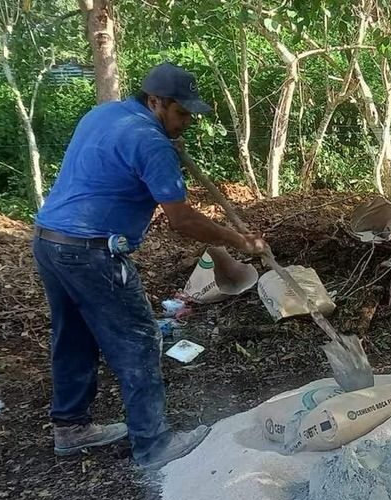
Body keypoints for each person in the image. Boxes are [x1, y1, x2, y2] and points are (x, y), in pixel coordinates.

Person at [33, 62, 265, 469]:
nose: (188, 121)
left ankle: (71, 427)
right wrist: (238, 240)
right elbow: (182, 220)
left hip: (51, 240)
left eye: (190, 114)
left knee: (74, 335)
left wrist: (167, 138)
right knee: (139, 339)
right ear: (155, 101)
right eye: (181, 113)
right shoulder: (150, 142)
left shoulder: (105, 114)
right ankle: (152, 445)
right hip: (92, 252)